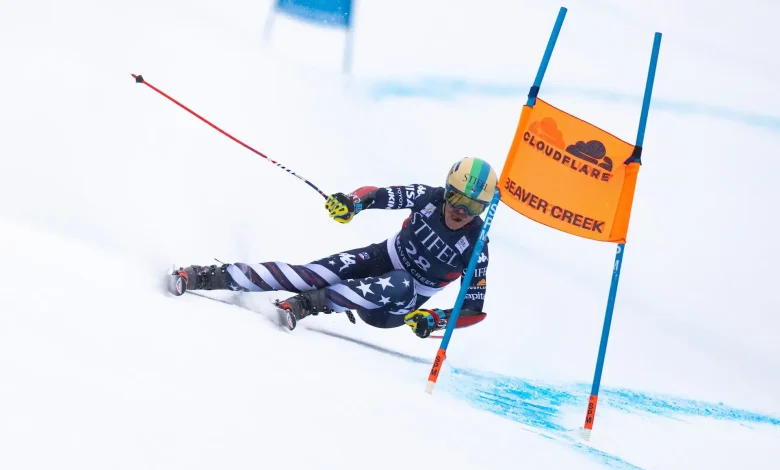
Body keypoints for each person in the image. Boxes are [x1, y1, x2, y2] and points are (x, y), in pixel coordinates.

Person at [170, 156, 496, 338]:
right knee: (314, 274)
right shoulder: (428, 197)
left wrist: (434, 319)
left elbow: (473, 309)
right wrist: (352, 203)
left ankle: (309, 305)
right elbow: (379, 194)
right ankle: (207, 276)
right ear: (446, 189)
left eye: (473, 207)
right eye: (456, 198)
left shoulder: (476, 246)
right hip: (383, 256)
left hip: (398, 304)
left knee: (400, 282)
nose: (459, 211)